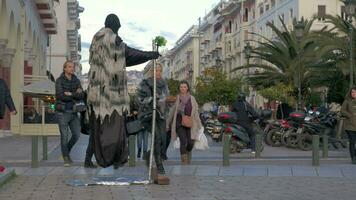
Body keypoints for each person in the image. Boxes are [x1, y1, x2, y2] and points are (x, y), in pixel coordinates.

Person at [87, 14, 159, 169]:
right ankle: (112, 158)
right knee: (112, 129)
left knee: (97, 128)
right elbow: (129, 54)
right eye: (118, 26)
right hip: (111, 95)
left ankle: (99, 157)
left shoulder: (96, 40)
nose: (119, 29)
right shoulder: (112, 39)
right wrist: (150, 55)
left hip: (96, 93)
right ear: (115, 25)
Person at [138, 63, 170, 184]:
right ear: (152, 71)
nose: (158, 73)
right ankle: (160, 166)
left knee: (163, 139)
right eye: (156, 71)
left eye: (160, 71)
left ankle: (148, 155)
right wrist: (154, 98)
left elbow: (166, 97)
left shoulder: (164, 83)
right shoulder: (145, 83)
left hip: (161, 115)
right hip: (149, 115)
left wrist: (167, 100)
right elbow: (141, 99)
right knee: (156, 138)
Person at [55, 60, 84, 167]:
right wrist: (75, 94)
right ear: (65, 68)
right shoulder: (59, 81)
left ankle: (66, 152)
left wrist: (71, 94)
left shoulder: (76, 80)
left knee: (76, 134)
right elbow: (60, 96)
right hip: (62, 112)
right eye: (70, 67)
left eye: (73, 67)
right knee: (64, 136)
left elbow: (82, 95)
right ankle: (66, 158)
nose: (72, 68)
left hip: (74, 112)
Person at [167, 81, 203, 165]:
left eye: (184, 87)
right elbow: (172, 112)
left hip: (190, 122)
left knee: (190, 142)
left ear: (187, 88)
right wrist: (167, 123)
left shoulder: (192, 98)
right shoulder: (177, 98)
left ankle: (187, 152)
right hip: (179, 122)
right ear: (179, 88)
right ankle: (184, 161)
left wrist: (200, 124)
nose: (183, 88)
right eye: (181, 87)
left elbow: (195, 112)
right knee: (183, 140)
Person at [341, 86, 356, 164]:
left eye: (355, 92)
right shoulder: (347, 101)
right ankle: (353, 158)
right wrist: (350, 115)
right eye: (352, 92)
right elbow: (342, 110)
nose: (354, 94)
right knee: (352, 142)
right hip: (350, 126)